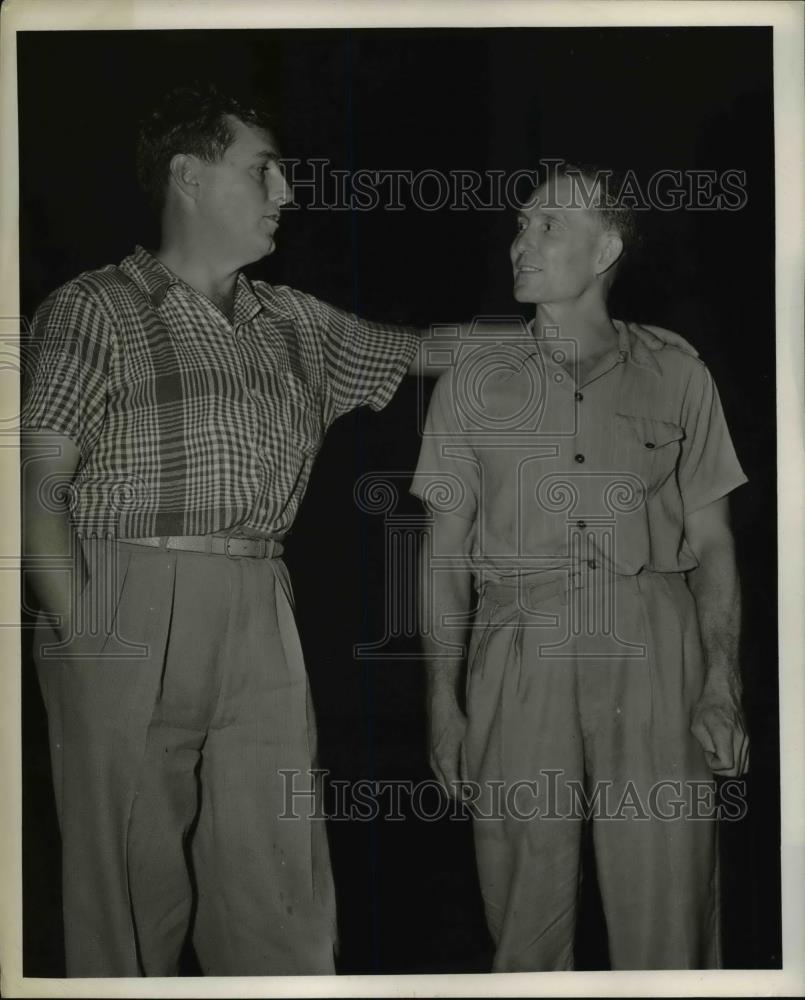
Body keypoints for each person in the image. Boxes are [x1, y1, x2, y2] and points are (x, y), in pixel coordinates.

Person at [21, 83, 688, 978]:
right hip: (125, 597)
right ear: (189, 176)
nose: (287, 193)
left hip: (260, 599)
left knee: (280, 883)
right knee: (130, 895)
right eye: (264, 172)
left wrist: (584, 334)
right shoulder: (95, 308)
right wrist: (83, 636)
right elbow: (31, 484)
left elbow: (423, 350)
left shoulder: (291, 322)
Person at [411, 162, 749, 971]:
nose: (518, 241)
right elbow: (444, 551)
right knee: (524, 920)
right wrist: (442, 701)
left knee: (668, 912)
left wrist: (718, 682)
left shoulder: (677, 371)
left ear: (605, 248)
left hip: (652, 643)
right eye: (519, 226)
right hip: (518, 645)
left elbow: (712, 544)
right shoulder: (471, 380)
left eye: (545, 226)